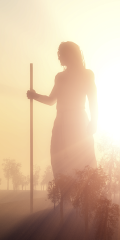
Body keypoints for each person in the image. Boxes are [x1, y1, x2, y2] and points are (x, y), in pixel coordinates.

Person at [27, 41, 98, 178]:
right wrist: (34, 95)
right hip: (61, 123)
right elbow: (51, 100)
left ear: (71, 54)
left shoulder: (87, 74)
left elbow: (93, 100)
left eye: (61, 54)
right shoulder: (60, 77)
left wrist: (94, 121)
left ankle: (85, 195)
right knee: (60, 161)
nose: (59, 57)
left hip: (79, 122)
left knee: (82, 162)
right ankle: (64, 196)